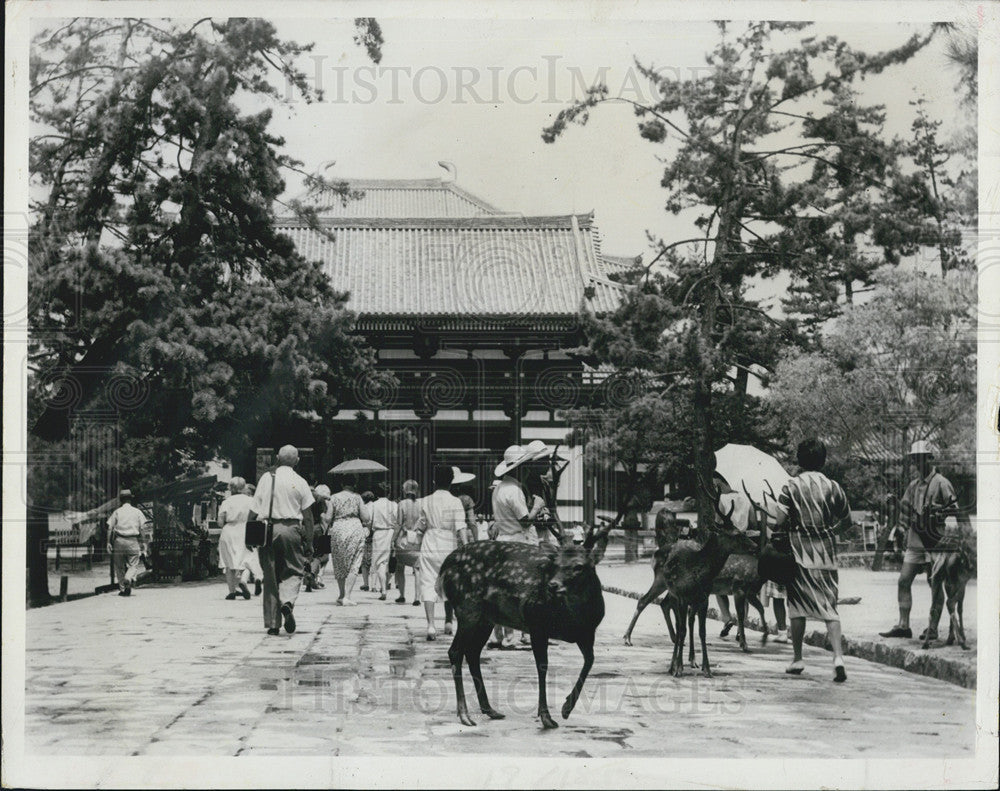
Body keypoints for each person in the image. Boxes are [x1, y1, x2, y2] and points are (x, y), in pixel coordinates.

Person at [772, 438, 852, 682]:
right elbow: (847, 521)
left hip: (799, 555)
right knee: (830, 608)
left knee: (796, 609)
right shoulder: (833, 486)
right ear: (823, 460)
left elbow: (779, 521)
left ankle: (797, 659)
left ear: (799, 460)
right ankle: (838, 657)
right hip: (826, 553)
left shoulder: (791, 487)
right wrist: (828, 531)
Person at [880, 441, 960, 640]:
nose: (918, 462)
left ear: (930, 458)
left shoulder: (941, 482)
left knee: (935, 583)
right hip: (915, 541)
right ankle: (903, 625)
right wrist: (899, 527)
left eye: (922, 457)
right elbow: (905, 512)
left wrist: (938, 513)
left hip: (936, 541)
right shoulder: (914, 486)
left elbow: (954, 509)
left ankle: (932, 628)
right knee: (904, 580)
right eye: (915, 458)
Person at [248, 445, 315, 636]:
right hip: (291, 529)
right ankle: (287, 602)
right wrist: (309, 541)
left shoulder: (266, 478)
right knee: (294, 570)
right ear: (297, 461)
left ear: (277, 458)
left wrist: (249, 529)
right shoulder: (300, 481)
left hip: (267, 530)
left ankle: (273, 624)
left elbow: (254, 508)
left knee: (270, 576)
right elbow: (308, 516)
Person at [490, 445, 545, 648]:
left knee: (501, 590)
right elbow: (525, 521)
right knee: (519, 591)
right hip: (516, 542)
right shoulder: (514, 491)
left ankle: (501, 634)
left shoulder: (499, 488)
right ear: (518, 468)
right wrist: (537, 507)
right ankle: (512, 636)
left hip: (502, 540)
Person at [415, 465, 470, 640]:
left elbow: (421, 526)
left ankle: (431, 625)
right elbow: (461, 528)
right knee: (449, 583)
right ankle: (448, 621)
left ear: (434, 481)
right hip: (448, 543)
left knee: (428, 582)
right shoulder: (456, 502)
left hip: (430, 541)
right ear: (451, 481)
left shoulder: (425, 501)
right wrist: (467, 550)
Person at [327, 474, 371, 606]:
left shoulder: (333, 497)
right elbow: (366, 517)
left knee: (339, 561)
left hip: (338, 528)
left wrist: (323, 515)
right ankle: (347, 595)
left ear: (341, 484)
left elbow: (328, 518)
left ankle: (341, 594)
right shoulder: (357, 498)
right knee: (354, 562)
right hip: (354, 528)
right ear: (354, 484)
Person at [217, 477, 254, 600]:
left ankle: (232, 591)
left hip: (229, 531)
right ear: (243, 487)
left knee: (229, 562)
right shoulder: (251, 500)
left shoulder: (226, 502)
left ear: (231, 488)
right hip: (246, 530)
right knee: (248, 558)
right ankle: (243, 580)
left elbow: (220, 522)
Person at [106, 489, 148, 597]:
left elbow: (110, 528)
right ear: (130, 499)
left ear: (121, 500)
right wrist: (143, 542)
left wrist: (108, 543)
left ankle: (123, 589)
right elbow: (142, 528)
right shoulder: (137, 512)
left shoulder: (117, 512)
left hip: (119, 540)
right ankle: (128, 578)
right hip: (132, 540)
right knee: (133, 564)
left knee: (119, 566)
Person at [392, 479, 423, 605]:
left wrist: (393, 539)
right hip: (417, 538)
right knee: (418, 569)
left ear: (404, 490)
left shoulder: (402, 504)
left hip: (404, 538)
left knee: (400, 567)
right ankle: (417, 597)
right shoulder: (421, 504)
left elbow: (399, 523)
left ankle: (402, 595)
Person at [368, 482, 398, 600]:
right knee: (386, 561)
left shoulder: (373, 505)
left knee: (380, 562)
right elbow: (397, 520)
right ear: (389, 493)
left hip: (378, 533)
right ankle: (385, 586)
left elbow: (368, 520)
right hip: (390, 532)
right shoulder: (393, 504)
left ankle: (383, 590)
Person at [305, 485, 332, 592]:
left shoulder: (303, 497)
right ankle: (312, 574)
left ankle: (309, 581)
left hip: (304, 528)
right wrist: (326, 531)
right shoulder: (319, 498)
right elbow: (322, 517)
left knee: (307, 554)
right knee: (319, 555)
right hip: (317, 528)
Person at [358, 490, 376, 590]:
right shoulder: (375, 505)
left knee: (365, 560)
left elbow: (367, 521)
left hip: (366, 533)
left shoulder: (365, 507)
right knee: (374, 559)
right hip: (376, 533)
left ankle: (366, 583)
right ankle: (374, 584)